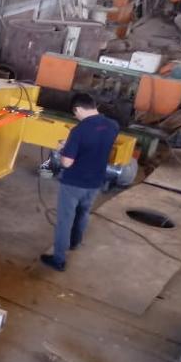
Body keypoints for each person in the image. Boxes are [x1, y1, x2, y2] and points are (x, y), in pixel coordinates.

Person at [40, 93, 119, 272]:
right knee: (83, 213)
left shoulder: (78, 131)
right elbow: (98, 144)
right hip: (95, 181)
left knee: (64, 220)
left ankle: (58, 259)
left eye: (75, 113)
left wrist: (63, 149)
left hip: (74, 182)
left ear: (78, 109)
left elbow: (67, 162)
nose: (76, 117)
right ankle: (75, 243)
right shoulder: (112, 125)